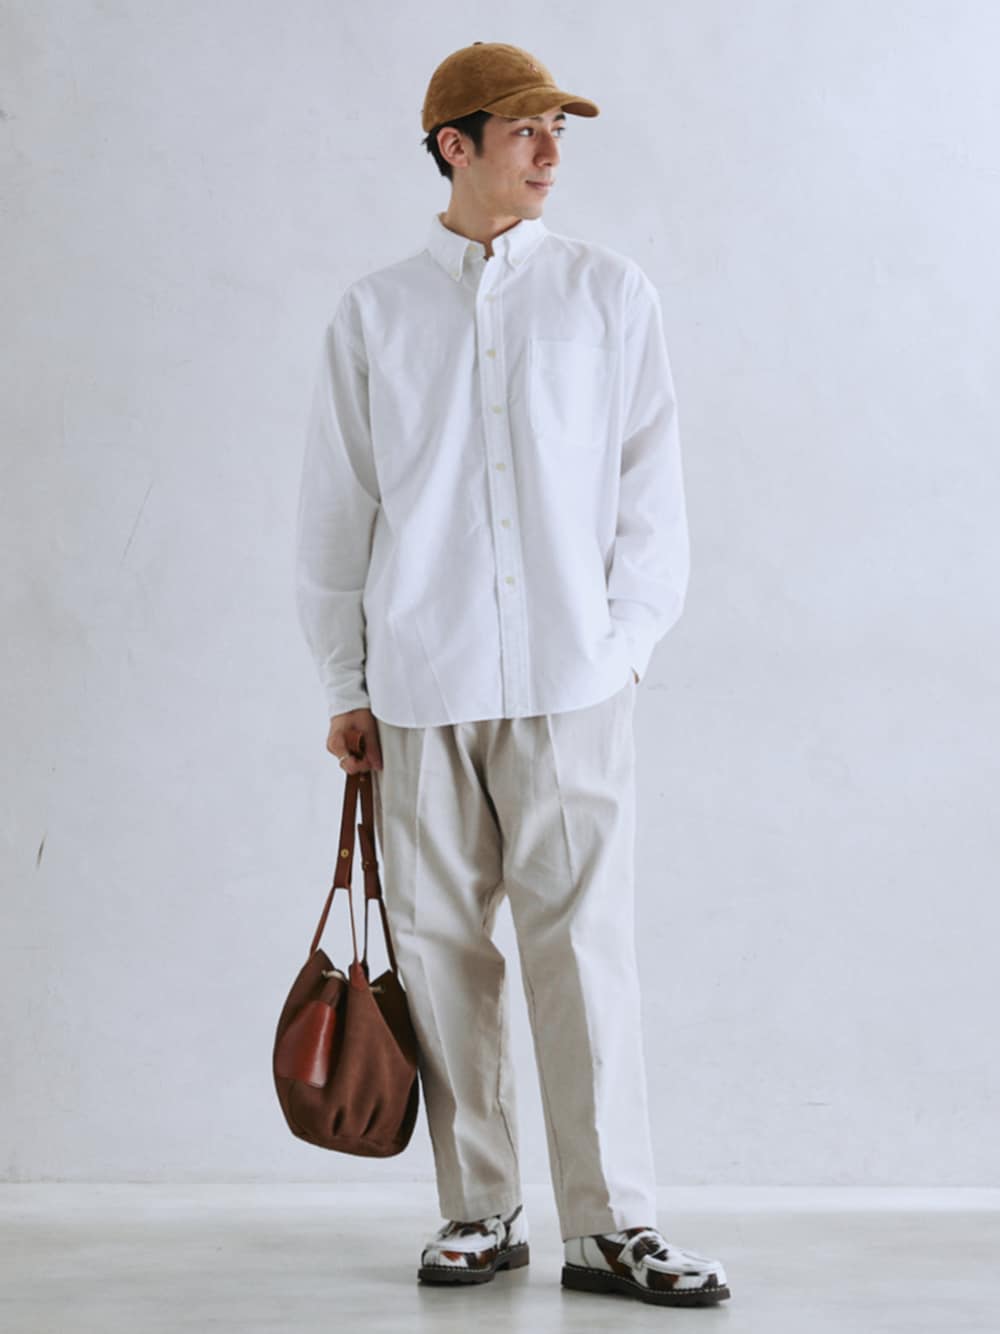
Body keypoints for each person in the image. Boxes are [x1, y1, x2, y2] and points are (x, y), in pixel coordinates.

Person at [293, 40, 731, 1308]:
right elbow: (336, 510)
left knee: (584, 951)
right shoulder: (374, 314)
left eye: (558, 132)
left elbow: (651, 489)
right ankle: (479, 1207)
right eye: (526, 129)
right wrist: (345, 682)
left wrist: (622, 644)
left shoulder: (607, 294)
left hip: (570, 681)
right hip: (420, 684)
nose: (549, 152)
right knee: (441, 955)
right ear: (456, 145)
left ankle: (612, 1224)